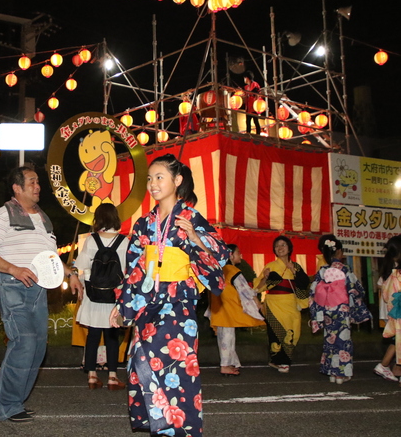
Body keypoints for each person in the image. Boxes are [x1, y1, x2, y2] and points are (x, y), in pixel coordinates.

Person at [110, 154, 229, 436]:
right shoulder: (143, 224)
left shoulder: (190, 218)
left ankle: (177, 429)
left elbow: (221, 255)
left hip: (179, 304)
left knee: (176, 366)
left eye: (159, 177)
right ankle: (160, 424)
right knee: (141, 358)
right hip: (149, 302)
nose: (152, 184)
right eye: (150, 179)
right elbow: (135, 269)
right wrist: (122, 306)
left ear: (177, 181)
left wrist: (196, 239)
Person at [0, 166, 83, 423]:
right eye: (32, 182)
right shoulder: (4, 214)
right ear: (17, 188)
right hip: (13, 286)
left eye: (38, 182)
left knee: (37, 347)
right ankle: (8, 405)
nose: (38, 186)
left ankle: (16, 402)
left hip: (39, 289)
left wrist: (70, 274)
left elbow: (52, 258)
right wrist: (14, 269)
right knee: (24, 341)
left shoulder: (43, 218)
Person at [74, 203, 129, 390]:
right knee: (112, 333)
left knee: (93, 334)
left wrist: (82, 286)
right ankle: (113, 376)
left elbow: (83, 265)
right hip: (115, 293)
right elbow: (126, 270)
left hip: (93, 292)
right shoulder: (124, 241)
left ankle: (92, 375)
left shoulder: (92, 239)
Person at [309, 235, 371, 384]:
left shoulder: (322, 271)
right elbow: (357, 290)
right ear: (339, 252)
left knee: (330, 340)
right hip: (342, 310)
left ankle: (331, 372)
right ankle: (341, 374)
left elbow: (314, 293)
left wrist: (316, 315)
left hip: (327, 310)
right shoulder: (346, 270)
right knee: (342, 341)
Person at [254, 235, 310, 374]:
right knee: (276, 333)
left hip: (290, 303)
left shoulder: (296, 266)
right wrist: (266, 277)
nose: (280, 248)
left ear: (289, 248)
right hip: (274, 304)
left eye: (283, 245)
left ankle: (277, 360)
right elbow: (258, 288)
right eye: (277, 246)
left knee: (293, 331)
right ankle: (283, 361)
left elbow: (304, 285)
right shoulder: (270, 266)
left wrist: (294, 271)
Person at [208, 244, 265, 376]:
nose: (241, 255)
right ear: (231, 255)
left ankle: (229, 363)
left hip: (219, 308)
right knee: (228, 338)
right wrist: (256, 301)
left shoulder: (220, 269)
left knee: (223, 338)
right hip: (228, 309)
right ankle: (225, 366)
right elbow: (244, 290)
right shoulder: (233, 270)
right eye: (238, 252)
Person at [379, 235, 401, 384]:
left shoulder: (392, 274)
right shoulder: (396, 274)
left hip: (396, 314)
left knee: (398, 342)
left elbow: (386, 296)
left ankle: (391, 368)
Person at [243, 70, 261, 135]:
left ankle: (258, 134)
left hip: (254, 106)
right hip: (248, 107)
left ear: (247, 78)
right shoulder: (246, 87)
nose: (244, 79)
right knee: (248, 121)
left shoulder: (255, 84)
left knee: (255, 121)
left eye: (245, 78)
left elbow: (257, 94)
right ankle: (248, 134)